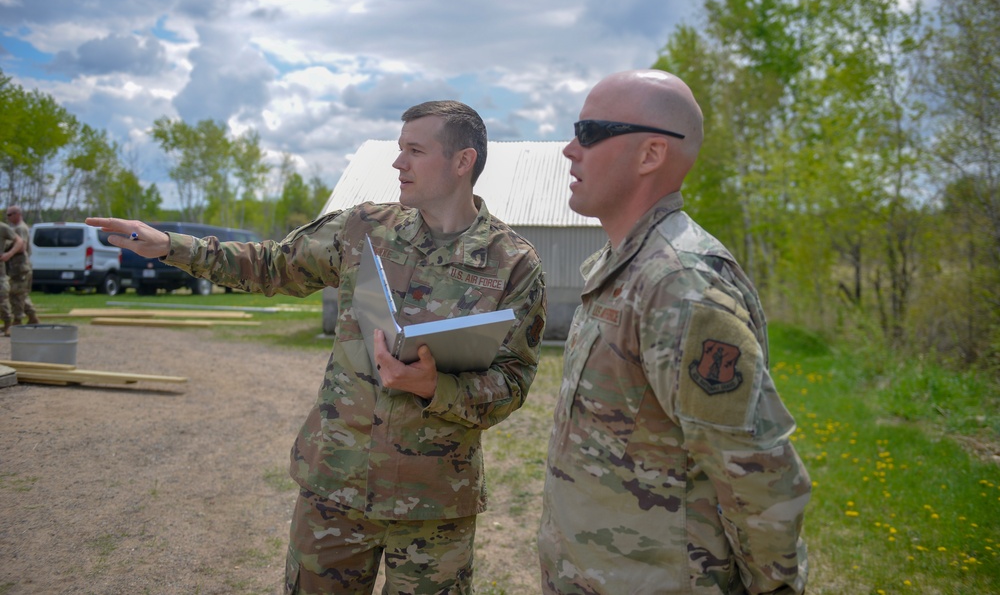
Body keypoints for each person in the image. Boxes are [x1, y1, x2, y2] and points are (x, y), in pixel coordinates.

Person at [88, 99, 547, 594]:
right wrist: (171, 246)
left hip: (433, 503)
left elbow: (512, 381)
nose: (399, 163)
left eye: (414, 150)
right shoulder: (364, 228)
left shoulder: (512, 263)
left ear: (463, 162)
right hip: (334, 485)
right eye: (399, 149)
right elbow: (272, 265)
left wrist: (437, 387)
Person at [538, 70, 810, 594]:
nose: (570, 149)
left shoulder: (680, 286)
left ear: (651, 155)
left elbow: (757, 477)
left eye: (589, 132)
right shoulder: (624, 268)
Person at [4, 205, 38, 328]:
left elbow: (21, 246)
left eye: (9, 214)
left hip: (20, 266)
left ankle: (17, 321)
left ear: (17, 214)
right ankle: (32, 316)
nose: (8, 218)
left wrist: (7, 251)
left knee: (16, 294)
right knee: (19, 293)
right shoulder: (17, 228)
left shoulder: (20, 228)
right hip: (17, 266)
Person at [0, 219, 26, 336]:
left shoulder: (2, 227)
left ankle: (8, 324)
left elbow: (19, 241)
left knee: (2, 297)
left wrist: (8, 254)